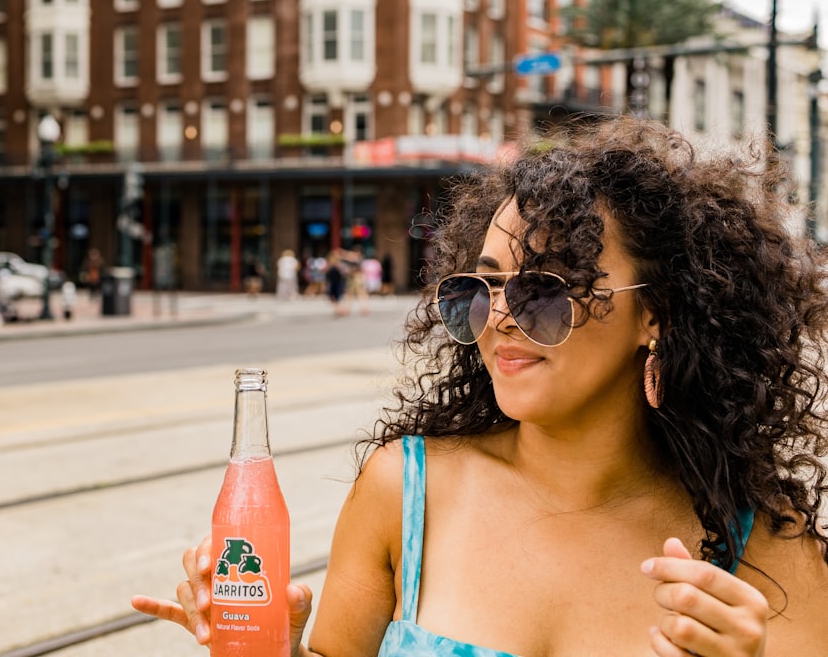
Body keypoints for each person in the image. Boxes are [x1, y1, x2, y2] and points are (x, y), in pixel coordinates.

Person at [133, 119, 828, 655]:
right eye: (482, 284)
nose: (500, 316)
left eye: (545, 288)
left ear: (657, 313)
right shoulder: (403, 492)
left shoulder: (767, 552)